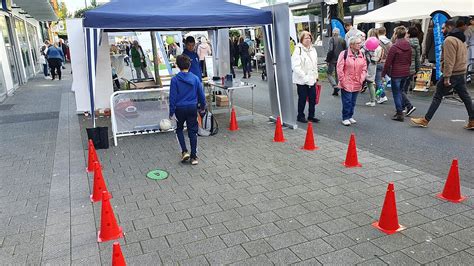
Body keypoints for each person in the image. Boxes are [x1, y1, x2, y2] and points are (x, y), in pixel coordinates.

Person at [411, 22, 474, 130]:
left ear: (450, 28)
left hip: (452, 73)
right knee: (466, 97)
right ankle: (472, 120)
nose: (441, 30)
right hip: (460, 72)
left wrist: (447, 76)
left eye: (443, 28)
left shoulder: (449, 40)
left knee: (437, 96)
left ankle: (425, 120)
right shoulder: (461, 40)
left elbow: (449, 60)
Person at [169, 55, 206, 165]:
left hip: (179, 108)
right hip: (192, 107)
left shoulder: (175, 80)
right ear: (189, 65)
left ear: (177, 66)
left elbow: (172, 97)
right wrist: (203, 106)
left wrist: (171, 112)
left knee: (179, 129)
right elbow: (201, 95)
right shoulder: (195, 78)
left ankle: (184, 151)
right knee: (192, 132)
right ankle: (194, 157)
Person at [382, 26, 413, 122]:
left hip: (396, 73)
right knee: (400, 91)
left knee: (396, 93)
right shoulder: (409, 46)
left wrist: (383, 74)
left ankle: (399, 113)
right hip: (405, 72)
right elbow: (409, 61)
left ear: (396, 34)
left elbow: (388, 62)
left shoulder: (394, 47)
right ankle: (404, 108)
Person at [337, 36, 367, 126]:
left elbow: (364, 68)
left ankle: (350, 116)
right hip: (347, 81)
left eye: (360, 43)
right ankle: (345, 117)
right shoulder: (344, 53)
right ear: (351, 44)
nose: (360, 45)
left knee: (353, 101)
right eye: (357, 43)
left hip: (357, 81)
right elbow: (339, 68)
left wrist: (362, 79)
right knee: (347, 100)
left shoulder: (362, 54)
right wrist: (342, 80)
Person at [292, 31, 319, 124]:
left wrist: (316, 76)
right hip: (301, 80)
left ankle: (311, 116)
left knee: (313, 98)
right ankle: (300, 115)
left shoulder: (313, 50)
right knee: (302, 98)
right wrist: (305, 77)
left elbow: (315, 64)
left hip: (312, 79)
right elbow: (295, 67)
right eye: (306, 38)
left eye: (309, 38)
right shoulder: (298, 50)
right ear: (301, 39)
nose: (308, 40)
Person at [404, 26, 421, 116]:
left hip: (404, 68)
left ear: (409, 33)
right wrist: (417, 70)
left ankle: (409, 106)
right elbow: (418, 58)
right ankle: (404, 106)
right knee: (405, 88)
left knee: (400, 89)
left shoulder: (405, 43)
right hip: (412, 69)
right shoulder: (417, 44)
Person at [363, 28, 381, 107]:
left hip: (368, 66)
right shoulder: (379, 46)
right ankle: (374, 98)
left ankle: (373, 100)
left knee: (369, 83)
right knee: (372, 82)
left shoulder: (367, 45)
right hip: (374, 65)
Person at [326, 28, 346, 96]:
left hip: (332, 59)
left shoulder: (332, 39)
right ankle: (336, 90)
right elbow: (345, 50)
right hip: (340, 59)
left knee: (329, 73)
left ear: (333, 32)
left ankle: (335, 86)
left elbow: (330, 50)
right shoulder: (343, 40)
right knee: (337, 75)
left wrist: (327, 59)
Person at [375, 27, 392, 104]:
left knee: (378, 81)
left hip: (379, 62)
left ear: (378, 33)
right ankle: (377, 95)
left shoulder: (377, 42)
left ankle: (382, 95)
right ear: (385, 32)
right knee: (382, 80)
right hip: (387, 63)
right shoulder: (390, 42)